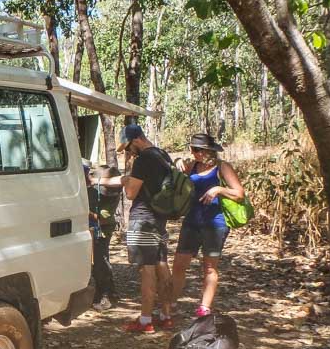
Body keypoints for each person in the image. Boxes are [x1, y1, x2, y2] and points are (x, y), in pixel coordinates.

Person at [97, 124, 174, 334]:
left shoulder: (143, 160)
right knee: (161, 264)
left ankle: (145, 320)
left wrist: (126, 180)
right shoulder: (162, 155)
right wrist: (103, 180)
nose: (129, 152)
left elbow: (131, 193)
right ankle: (166, 315)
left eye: (129, 147)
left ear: (137, 140)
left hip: (143, 220)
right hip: (159, 218)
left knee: (146, 269)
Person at [171, 133, 245, 317]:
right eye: (192, 149)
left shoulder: (222, 167)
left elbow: (239, 193)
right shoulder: (192, 166)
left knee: (210, 267)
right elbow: (178, 178)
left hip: (215, 224)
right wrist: (179, 162)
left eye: (197, 150)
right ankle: (170, 303)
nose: (194, 152)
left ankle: (204, 308)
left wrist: (219, 189)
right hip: (191, 221)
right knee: (179, 264)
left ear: (208, 151)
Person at [86, 163, 120, 307]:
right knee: (94, 262)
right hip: (90, 227)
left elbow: (103, 218)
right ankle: (100, 292)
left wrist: (84, 211)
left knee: (101, 260)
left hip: (103, 227)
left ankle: (108, 293)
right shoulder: (92, 189)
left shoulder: (113, 194)